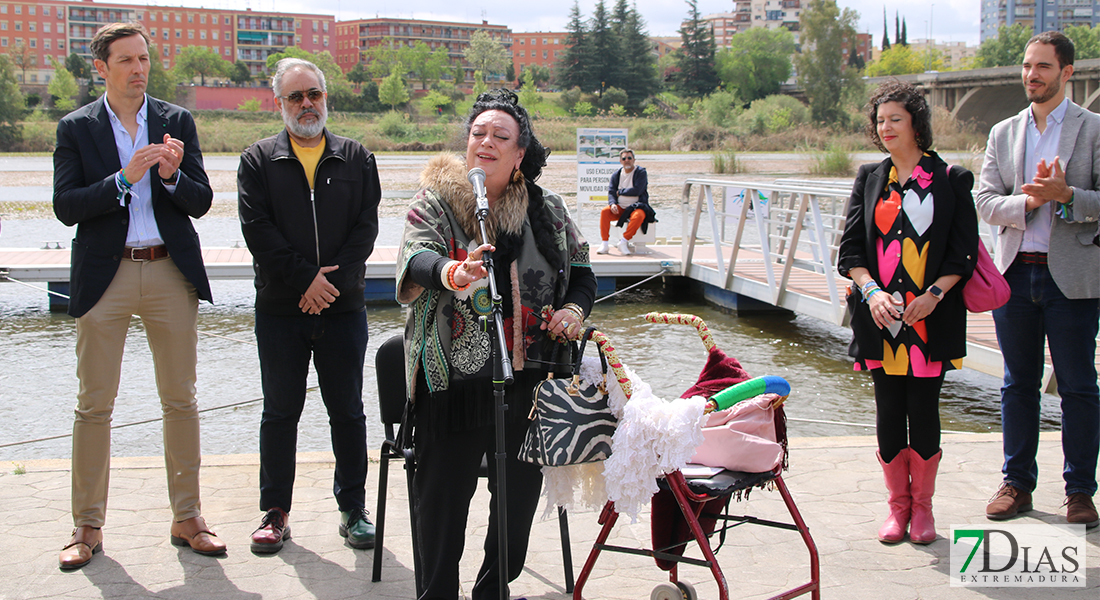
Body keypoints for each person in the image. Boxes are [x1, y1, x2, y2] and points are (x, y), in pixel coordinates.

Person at [396, 89, 596, 600]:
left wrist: (574, 309)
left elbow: (581, 272)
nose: (485, 142)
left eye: (499, 136)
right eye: (477, 133)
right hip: (453, 386)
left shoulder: (547, 208)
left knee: (516, 499)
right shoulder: (436, 200)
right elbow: (416, 257)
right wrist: (450, 271)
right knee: (441, 500)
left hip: (528, 382)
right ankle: (436, 593)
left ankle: (493, 591)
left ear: (519, 153)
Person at [52, 22, 225, 569]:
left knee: (181, 399)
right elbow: (66, 206)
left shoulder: (177, 120)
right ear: (101, 67)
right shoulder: (75, 128)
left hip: (169, 272)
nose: (139, 69)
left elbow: (201, 201)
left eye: (144, 58)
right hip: (107, 276)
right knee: (94, 404)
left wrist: (172, 176)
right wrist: (124, 179)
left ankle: (188, 516)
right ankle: (87, 526)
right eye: (126, 60)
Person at [237, 57, 382, 554]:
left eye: (314, 94)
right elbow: (258, 231)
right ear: (278, 103)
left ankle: (353, 509)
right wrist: (305, 280)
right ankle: (275, 512)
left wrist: (328, 286)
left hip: (343, 308)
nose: (306, 104)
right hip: (281, 308)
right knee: (280, 412)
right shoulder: (257, 160)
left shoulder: (357, 157)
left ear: (326, 98)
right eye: (296, 96)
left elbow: (365, 229)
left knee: (348, 411)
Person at [838, 80, 979, 544]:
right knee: (887, 411)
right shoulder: (869, 177)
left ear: (916, 123)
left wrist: (934, 295)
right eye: (880, 120)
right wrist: (871, 292)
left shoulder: (951, 179)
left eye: (895, 118)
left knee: (924, 410)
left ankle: (923, 510)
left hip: (929, 317)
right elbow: (851, 250)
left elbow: (963, 254)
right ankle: (897, 509)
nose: (886, 128)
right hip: (880, 318)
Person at [976, 31, 1100, 529]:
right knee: (1017, 386)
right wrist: (1029, 202)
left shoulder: (1093, 130)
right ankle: (1017, 483)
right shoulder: (1003, 132)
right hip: (1015, 276)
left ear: (1066, 73)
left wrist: (1067, 194)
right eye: (1027, 66)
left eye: (1043, 67)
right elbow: (985, 203)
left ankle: (1079, 492)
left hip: (1073, 280)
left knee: (1079, 388)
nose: (1032, 75)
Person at [596, 148, 655, 256]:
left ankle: (623, 241)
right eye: (624, 158)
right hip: (620, 207)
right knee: (605, 212)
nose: (626, 160)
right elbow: (611, 192)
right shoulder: (616, 175)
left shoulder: (641, 172)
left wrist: (621, 192)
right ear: (620, 161)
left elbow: (638, 190)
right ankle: (604, 244)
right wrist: (613, 203)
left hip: (635, 207)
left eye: (629, 158)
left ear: (634, 160)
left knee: (639, 216)